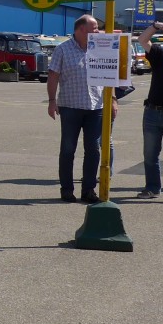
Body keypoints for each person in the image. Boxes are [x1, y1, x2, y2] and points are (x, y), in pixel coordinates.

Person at [46, 14, 117, 203]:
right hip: (70, 107)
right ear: (81, 29)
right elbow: (53, 76)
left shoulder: (101, 48)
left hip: (96, 107)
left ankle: (88, 190)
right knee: (68, 149)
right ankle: (67, 189)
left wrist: (114, 99)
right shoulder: (63, 49)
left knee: (93, 150)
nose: (98, 31)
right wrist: (52, 101)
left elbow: (110, 75)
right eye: (94, 27)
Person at [135, 20, 163, 204]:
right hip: (152, 113)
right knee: (150, 155)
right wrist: (155, 26)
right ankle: (152, 188)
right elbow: (142, 40)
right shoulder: (161, 56)